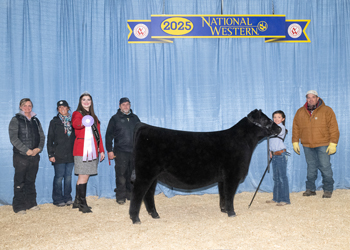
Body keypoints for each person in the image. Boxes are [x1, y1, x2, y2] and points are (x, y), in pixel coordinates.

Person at [292, 90, 339, 198]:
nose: (311, 99)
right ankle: (310, 189)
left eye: (313, 97)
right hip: (307, 145)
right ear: (306, 99)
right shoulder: (300, 111)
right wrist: (295, 141)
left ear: (318, 98)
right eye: (308, 97)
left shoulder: (327, 110)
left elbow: (334, 127)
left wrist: (333, 143)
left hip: (323, 144)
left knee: (325, 166)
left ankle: (328, 189)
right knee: (311, 167)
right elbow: (296, 127)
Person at [8, 98, 45, 214]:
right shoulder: (15, 120)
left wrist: (38, 148)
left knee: (30, 180)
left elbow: (42, 137)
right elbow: (13, 138)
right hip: (20, 156)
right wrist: (26, 150)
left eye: (29, 106)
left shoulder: (36, 120)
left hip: (34, 156)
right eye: (25, 105)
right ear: (20, 106)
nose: (27, 108)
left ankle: (31, 203)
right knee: (20, 181)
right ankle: (19, 206)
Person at [72, 92, 105, 213]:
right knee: (83, 176)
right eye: (84, 100)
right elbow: (76, 124)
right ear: (80, 102)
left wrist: (101, 149)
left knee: (84, 175)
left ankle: (77, 201)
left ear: (91, 102)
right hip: (82, 150)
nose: (86, 102)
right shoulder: (77, 114)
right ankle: (82, 204)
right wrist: (83, 122)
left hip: (92, 150)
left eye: (88, 100)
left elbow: (98, 135)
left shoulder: (94, 117)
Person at [105, 97, 140, 205]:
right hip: (120, 151)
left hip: (134, 151)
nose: (126, 106)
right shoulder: (114, 118)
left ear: (130, 105)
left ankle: (130, 194)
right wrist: (109, 150)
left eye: (127, 104)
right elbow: (108, 136)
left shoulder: (135, 118)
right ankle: (121, 196)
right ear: (120, 106)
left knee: (132, 174)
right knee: (121, 174)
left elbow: (140, 134)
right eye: (123, 104)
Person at [47, 100, 75, 207]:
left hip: (71, 154)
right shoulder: (54, 122)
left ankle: (68, 197)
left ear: (68, 108)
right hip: (58, 154)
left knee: (68, 177)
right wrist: (51, 154)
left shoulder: (74, 121)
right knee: (59, 177)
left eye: (64, 107)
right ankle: (57, 199)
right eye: (60, 108)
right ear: (57, 109)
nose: (62, 109)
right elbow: (50, 139)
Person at [266, 110, 290, 206]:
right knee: (276, 178)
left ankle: (285, 199)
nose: (276, 119)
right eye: (274, 117)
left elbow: (273, 132)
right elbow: (271, 142)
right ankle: (276, 198)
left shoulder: (281, 128)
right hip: (275, 155)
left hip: (281, 155)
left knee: (282, 177)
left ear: (283, 119)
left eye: (279, 117)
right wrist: (270, 152)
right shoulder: (272, 128)